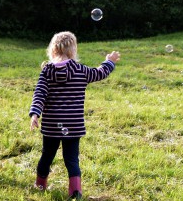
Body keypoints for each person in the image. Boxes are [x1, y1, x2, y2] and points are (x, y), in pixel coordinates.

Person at [29, 31, 120, 200]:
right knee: (72, 159)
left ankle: (40, 184)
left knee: (47, 155)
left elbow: (39, 93)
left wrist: (35, 113)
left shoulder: (47, 71)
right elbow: (99, 73)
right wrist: (109, 62)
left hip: (51, 125)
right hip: (74, 125)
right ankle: (75, 191)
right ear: (73, 51)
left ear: (53, 50)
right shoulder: (81, 70)